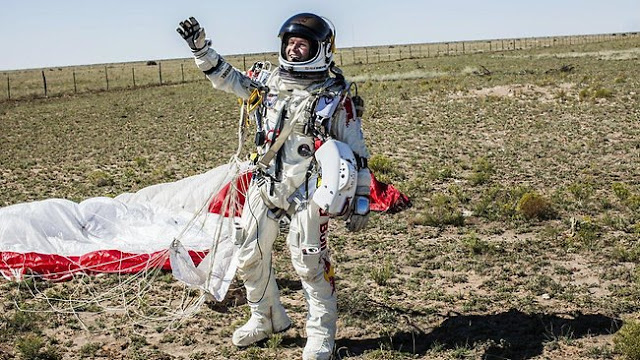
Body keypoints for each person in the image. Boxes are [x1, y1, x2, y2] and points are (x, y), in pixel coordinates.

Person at [177, 13, 371, 360]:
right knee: (249, 253)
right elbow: (227, 79)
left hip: (309, 189)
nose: (295, 50)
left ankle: (320, 335)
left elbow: (356, 149)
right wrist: (201, 50)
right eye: (290, 43)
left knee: (309, 262)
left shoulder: (334, 96)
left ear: (321, 50)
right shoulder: (265, 82)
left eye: (303, 45)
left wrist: (361, 197)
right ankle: (265, 318)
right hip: (266, 182)